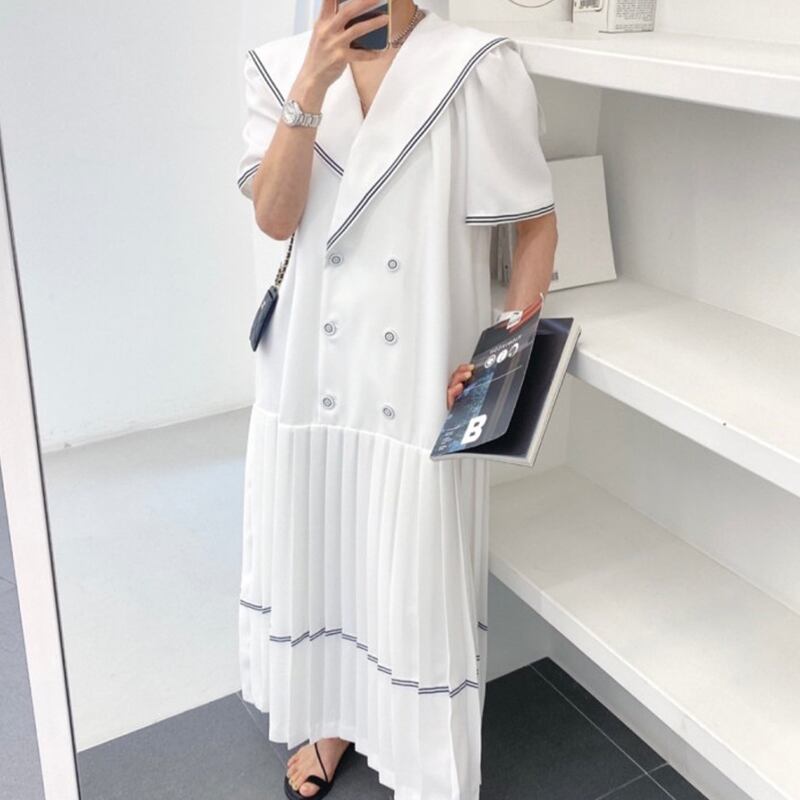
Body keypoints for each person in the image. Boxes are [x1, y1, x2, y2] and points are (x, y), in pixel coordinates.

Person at [235, 1, 558, 797]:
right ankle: (331, 714)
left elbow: (535, 229)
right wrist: (312, 83)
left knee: (410, 569)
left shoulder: (477, 66)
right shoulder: (278, 66)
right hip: (310, 375)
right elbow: (275, 217)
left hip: (417, 375)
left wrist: (499, 362)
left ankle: (419, 751)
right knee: (325, 546)